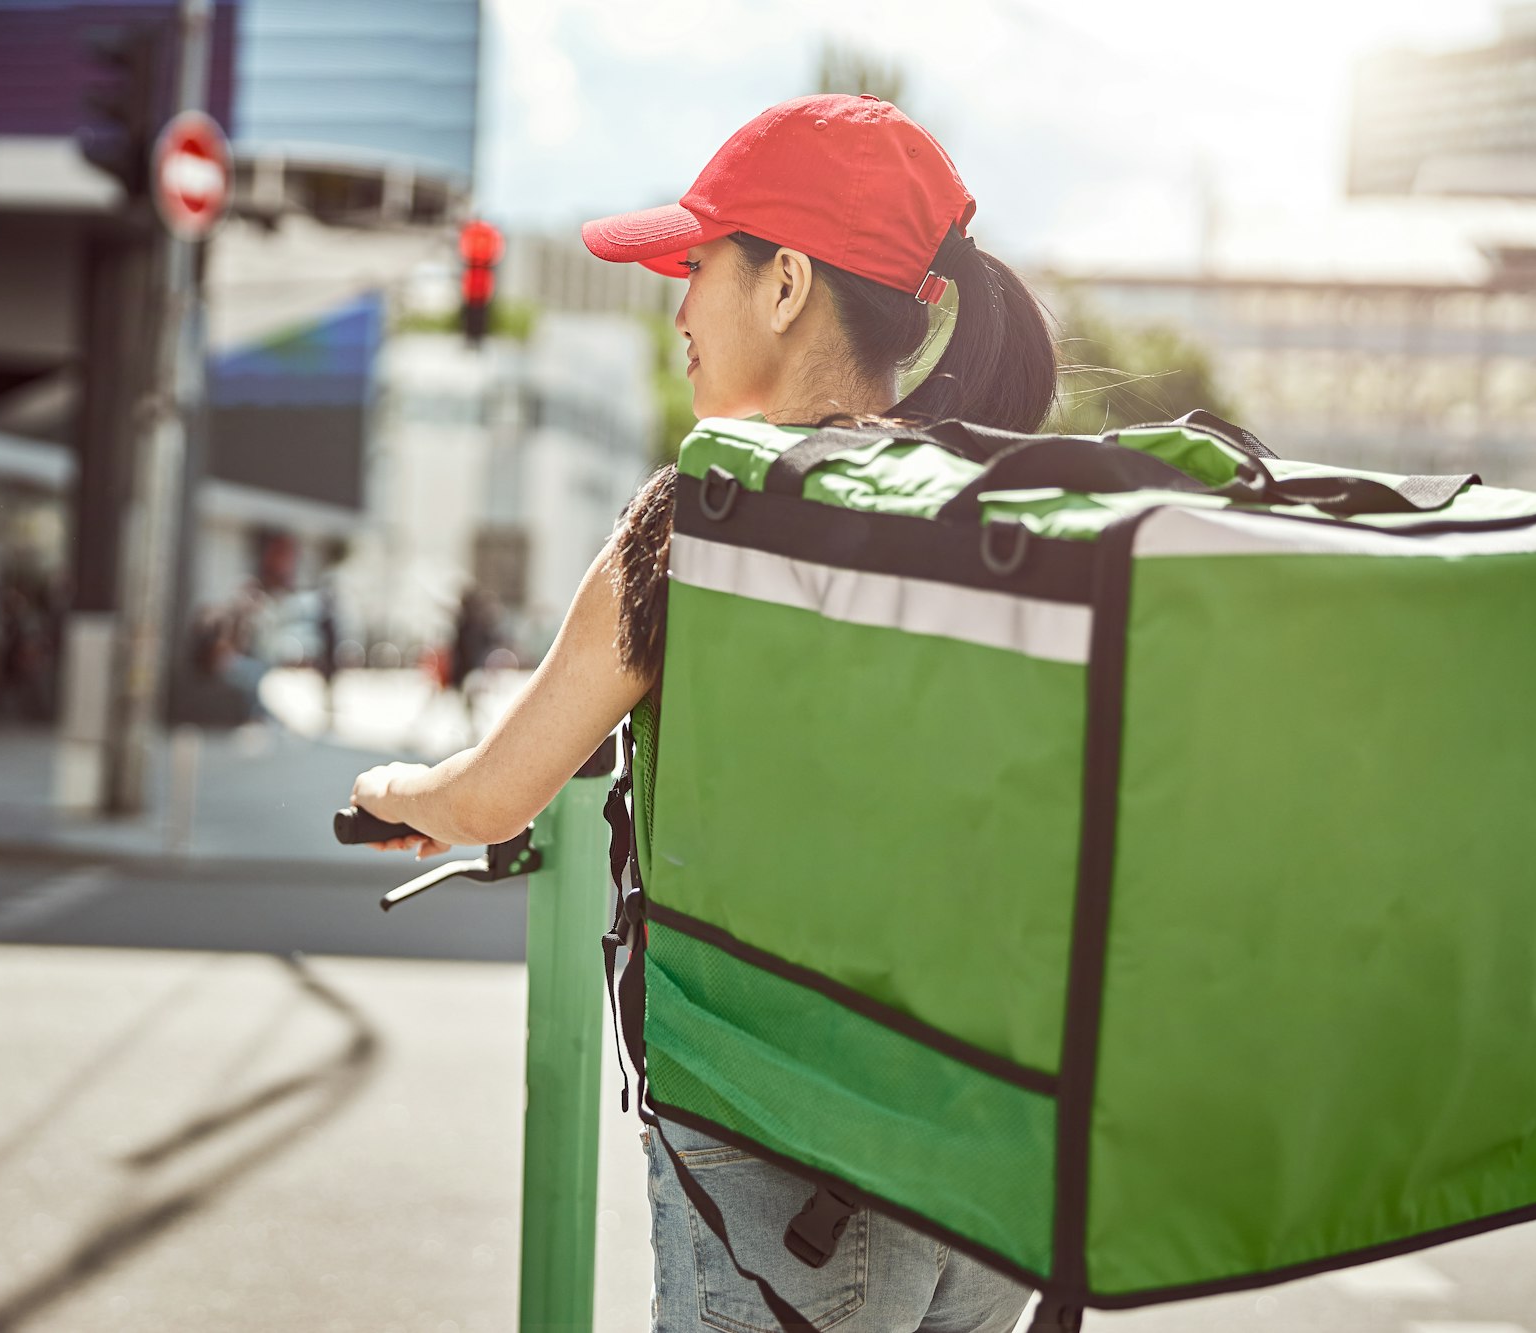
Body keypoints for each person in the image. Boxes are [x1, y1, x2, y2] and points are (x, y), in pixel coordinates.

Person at [350, 93, 1058, 1330]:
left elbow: (497, 790)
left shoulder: (713, 517)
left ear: (784, 284)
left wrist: (394, 796)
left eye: (697, 267)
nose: (677, 309)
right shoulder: (992, 512)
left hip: (785, 1158)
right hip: (989, 1152)